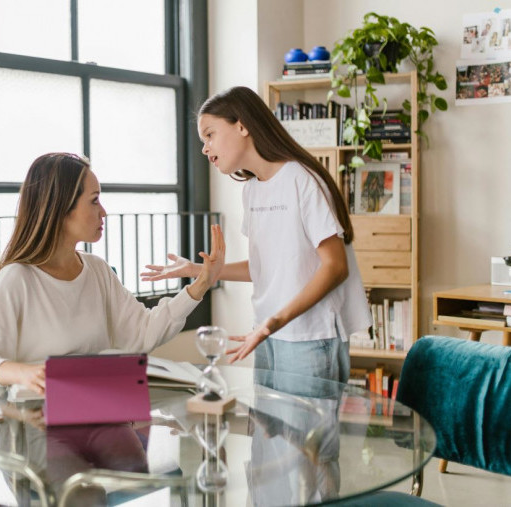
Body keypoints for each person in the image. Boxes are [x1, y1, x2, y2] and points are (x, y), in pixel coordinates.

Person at [141, 87, 371, 383]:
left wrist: (273, 322)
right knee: (266, 430)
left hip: (309, 337)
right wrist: (199, 270)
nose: (205, 149)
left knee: (306, 431)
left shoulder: (302, 179)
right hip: (266, 333)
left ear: (242, 125)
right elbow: (261, 268)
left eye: (210, 135)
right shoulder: (252, 190)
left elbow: (336, 267)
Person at [0, 152, 225, 392]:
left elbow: (141, 333)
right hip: (35, 430)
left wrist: (199, 286)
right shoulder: (16, 279)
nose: (103, 212)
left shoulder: (98, 271)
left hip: (99, 416)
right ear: (61, 208)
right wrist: (22, 373)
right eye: (94, 201)